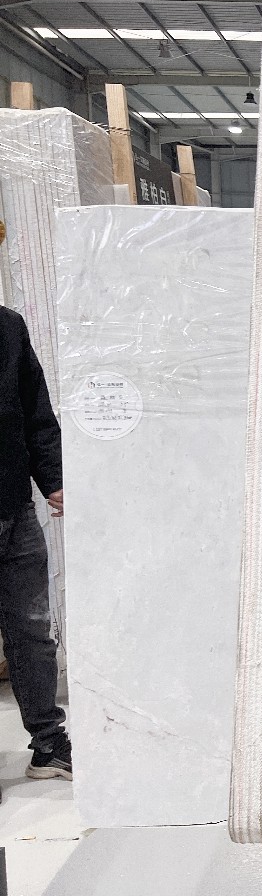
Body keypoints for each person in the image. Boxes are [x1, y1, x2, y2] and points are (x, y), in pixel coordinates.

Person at [0, 305, 71, 783]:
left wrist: (53, 478)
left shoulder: (8, 326)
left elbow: (36, 413)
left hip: (14, 508)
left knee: (32, 633)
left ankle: (48, 745)